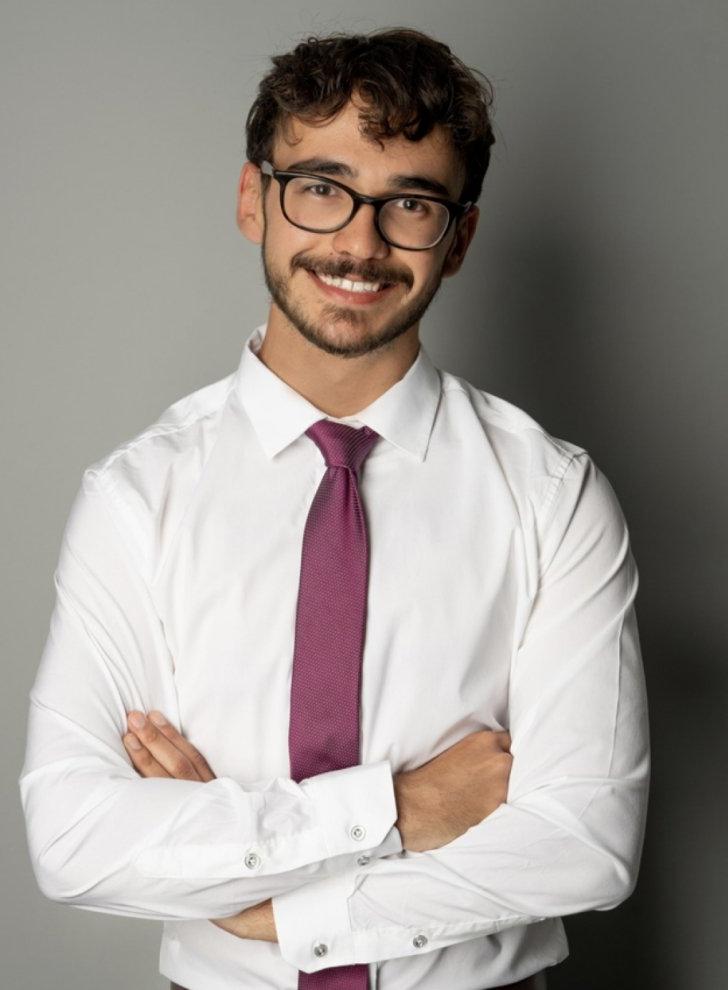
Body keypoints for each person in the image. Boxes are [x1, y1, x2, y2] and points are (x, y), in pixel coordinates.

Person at [18, 26, 650, 990]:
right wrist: (397, 809)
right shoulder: (137, 499)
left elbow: (584, 843)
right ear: (252, 200)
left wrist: (265, 906)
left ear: (461, 237)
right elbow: (71, 834)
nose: (358, 241)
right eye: (321, 187)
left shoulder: (553, 496)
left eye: (409, 204)